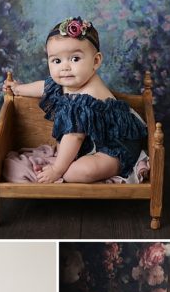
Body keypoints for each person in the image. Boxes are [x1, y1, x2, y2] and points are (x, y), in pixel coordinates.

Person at [9, 17, 147, 183]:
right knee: (65, 149)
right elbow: (44, 87)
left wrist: (56, 170)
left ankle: (116, 167)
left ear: (95, 61)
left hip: (116, 146)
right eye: (56, 61)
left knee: (74, 173)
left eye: (75, 59)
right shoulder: (72, 80)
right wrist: (18, 89)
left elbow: (74, 136)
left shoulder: (86, 96)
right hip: (95, 139)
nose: (65, 67)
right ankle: (73, 158)